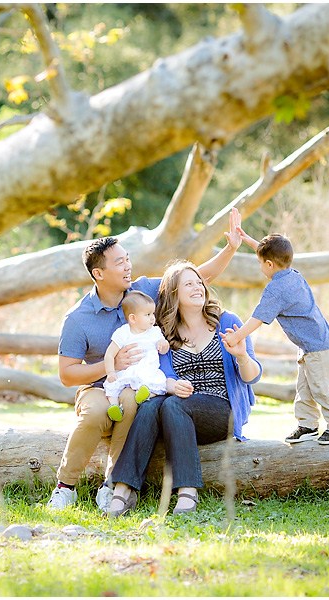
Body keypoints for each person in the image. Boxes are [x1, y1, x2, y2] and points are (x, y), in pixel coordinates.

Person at [47, 208, 244, 512]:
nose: (128, 266)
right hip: (99, 385)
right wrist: (113, 365)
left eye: (127, 258)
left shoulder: (142, 289)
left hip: (142, 387)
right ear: (98, 274)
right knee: (98, 410)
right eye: (119, 263)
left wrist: (230, 249)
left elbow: (195, 279)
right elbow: (67, 375)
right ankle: (65, 486)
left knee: (133, 405)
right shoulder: (78, 318)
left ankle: (112, 485)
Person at [107, 261, 262, 517]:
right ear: (173, 293)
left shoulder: (227, 321)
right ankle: (123, 489)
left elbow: (252, 377)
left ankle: (187, 491)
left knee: (171, 404)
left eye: (199, 282)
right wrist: (174, 385)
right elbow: (163, 378)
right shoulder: (164, 334)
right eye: (188, 283)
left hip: (221, 411)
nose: (198, 287)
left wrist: (242, 356)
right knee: (156, 403)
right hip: (176, 413)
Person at [220, 233, 329, 445]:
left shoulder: (276, 289)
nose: (260, 266)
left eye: (260, 262)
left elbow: (257, 318)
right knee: (304, 389)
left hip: (318, 347)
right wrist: (250, 241)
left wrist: (237, 336)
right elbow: (270, 254)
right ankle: (307, 425)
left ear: (269, 264)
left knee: (322, 388)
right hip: (312, 345)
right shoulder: (293, 274)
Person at [102, 291, 170, 422]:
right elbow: (109, 354)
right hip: (127, 370)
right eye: (148, 315)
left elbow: (163, 350)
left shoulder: (155, 332)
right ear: (133, 318)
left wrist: (164, 344)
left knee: (161, 384)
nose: (152, 318)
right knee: (113, 386)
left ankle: (145, 395)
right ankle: (114, 406)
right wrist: (110, 372)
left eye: (153, 314)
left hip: (148, 370)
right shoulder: (123, 333)